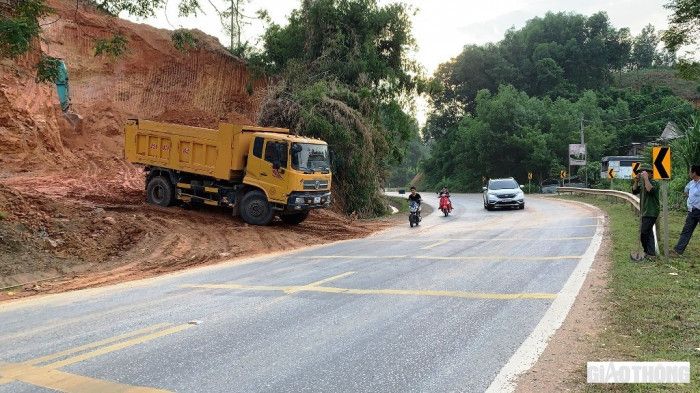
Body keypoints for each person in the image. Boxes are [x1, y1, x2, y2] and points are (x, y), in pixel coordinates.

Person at [632, 164, 660, 259]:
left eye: (644, 172)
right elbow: (634, 191)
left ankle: (648, 252)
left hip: (651, 211)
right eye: (641, 172)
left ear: (650, 174)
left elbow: (650, 190)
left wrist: (646, 179)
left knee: (644, 233)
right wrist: (636, 181)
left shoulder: (654, 183)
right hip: (644, 212)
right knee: (648, 233)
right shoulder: (643, 184)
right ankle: (651, 254)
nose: (641, 174)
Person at [672, 165, 700, 257]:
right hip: (692, 211)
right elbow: (686, 190)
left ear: (694, 173)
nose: (689, 173)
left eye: (690, 171)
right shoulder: (691, 183)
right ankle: (678, 251)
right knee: (686, 231)